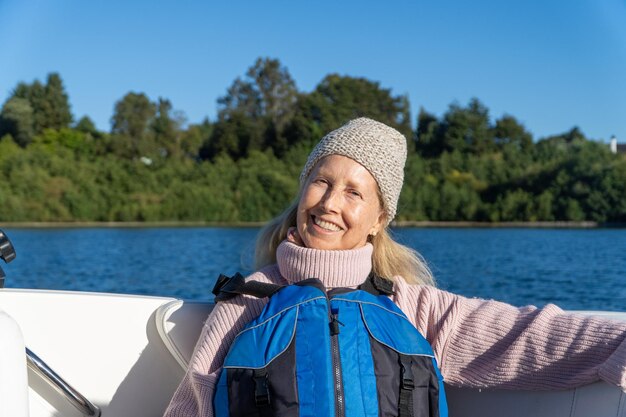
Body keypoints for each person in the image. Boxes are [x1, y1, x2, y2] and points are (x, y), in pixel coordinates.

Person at [164, 117, 626, 417]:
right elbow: (193, 404)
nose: (329, 203)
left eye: (353, 193)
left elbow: (524, 337)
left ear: (379, 219)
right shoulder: (249, 298)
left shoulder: (411, 305)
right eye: (321, 181)